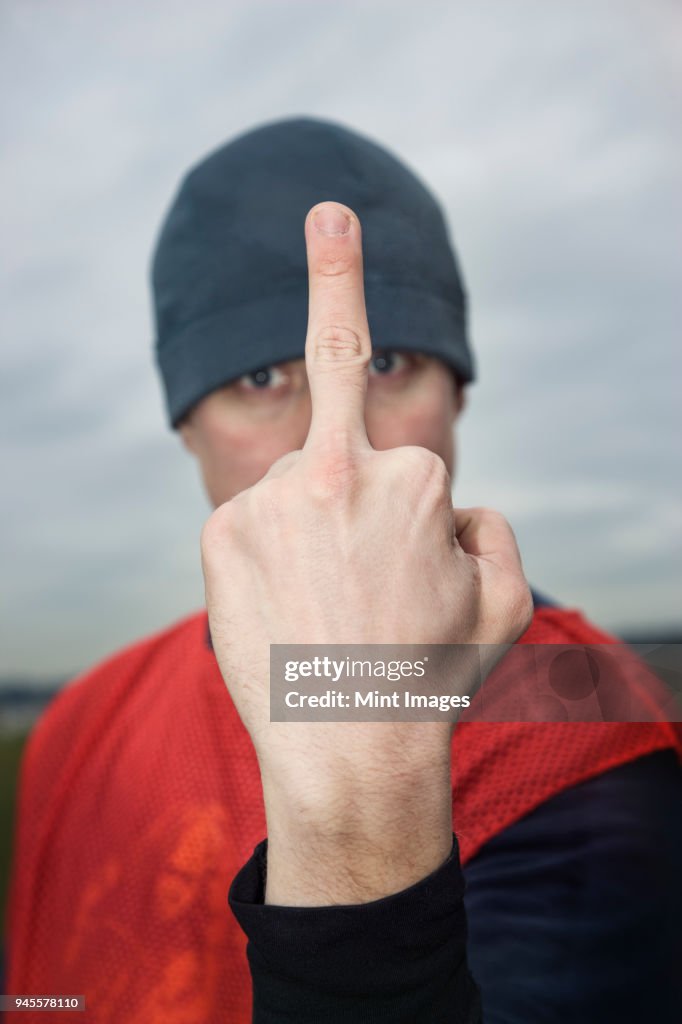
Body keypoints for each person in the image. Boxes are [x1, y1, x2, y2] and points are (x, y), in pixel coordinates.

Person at [6, 116, 682, 1023]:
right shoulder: (85, 717)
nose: (333, 452)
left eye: (391, 363)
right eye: (257, 380)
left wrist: (366, 786)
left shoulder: (581, 706)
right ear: (185, 427)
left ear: (458, 397)